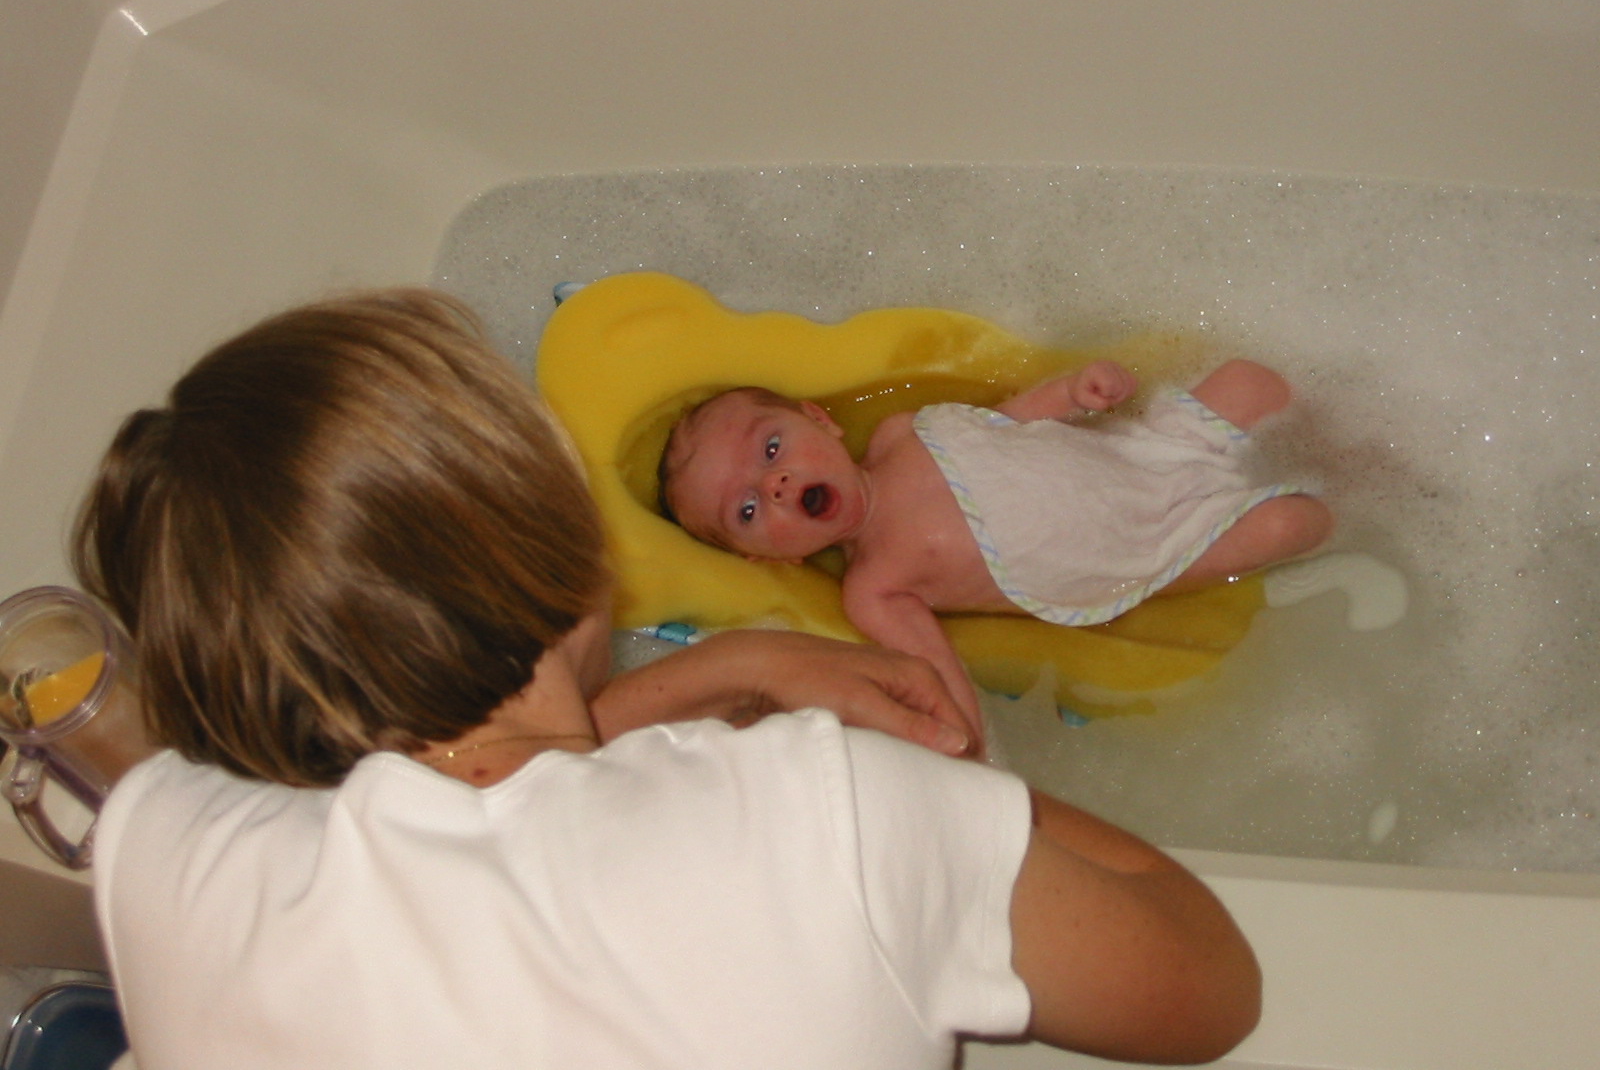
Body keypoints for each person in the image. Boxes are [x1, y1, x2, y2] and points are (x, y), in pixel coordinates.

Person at [77, 290, 1260, 1069]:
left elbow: (474, 798)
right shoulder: (824, 815)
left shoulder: (171, 854)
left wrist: (735, 664)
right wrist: (952, 804)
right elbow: (1206, 988)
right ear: (566, 544)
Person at [658, 360, 1332, 736]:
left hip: (1141, 453)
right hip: (1151, 549)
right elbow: (935, 673)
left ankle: (1353, 446)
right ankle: (1337, 501)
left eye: (772, 448)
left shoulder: (900, 434)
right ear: (772, 559)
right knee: (1289, 525)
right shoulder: (874, 586)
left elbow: (1000, 427)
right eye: (748, 510)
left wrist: (1070, 393)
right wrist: (967, 748)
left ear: (819, 420)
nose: (774, 484)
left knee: (1251, 381)